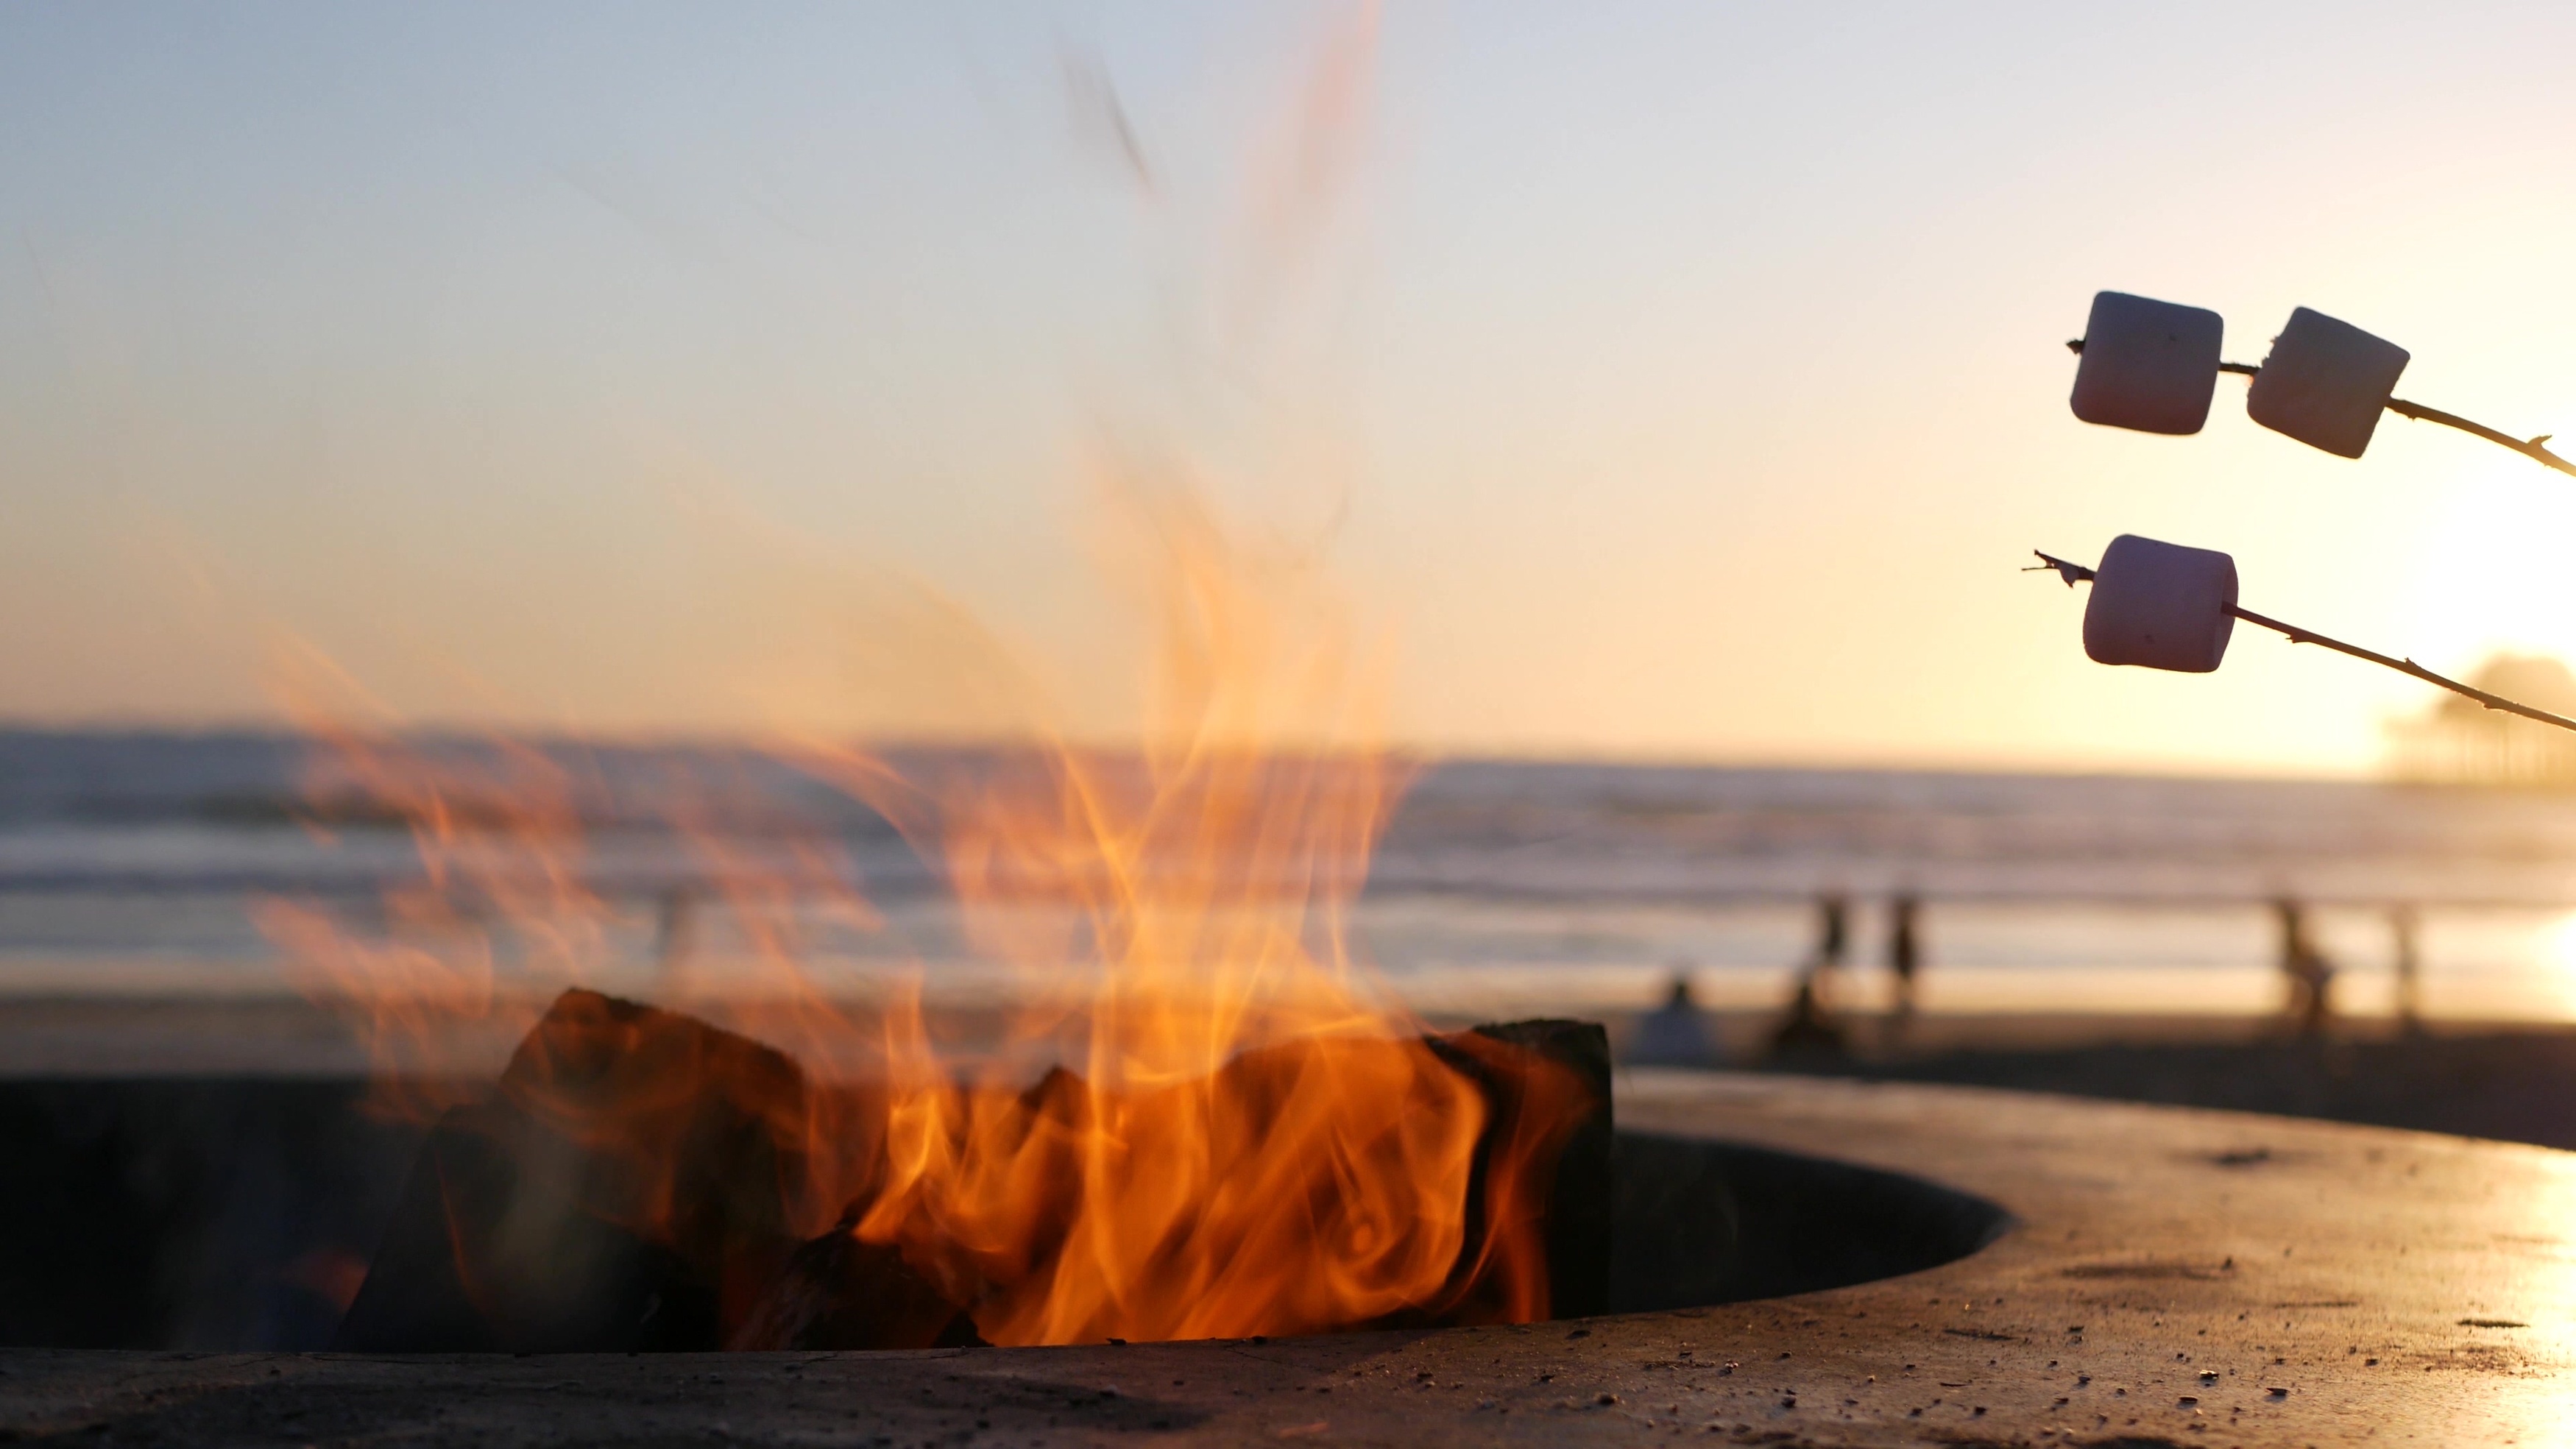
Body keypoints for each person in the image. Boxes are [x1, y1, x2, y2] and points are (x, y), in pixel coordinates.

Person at [1629, 968, 1719, 1068]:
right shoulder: (1694, 1019)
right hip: (1661, 1062)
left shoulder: (1694, 1019)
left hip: (1681, 1062)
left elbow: (1701, 1048)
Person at [2272, 896, 2335, 1038]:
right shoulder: (2300, 955)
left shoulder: (2300, 957)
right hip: (2315, 996)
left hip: (2315, 1005)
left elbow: (2297, 993)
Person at [1886, 893, 1923, 1030]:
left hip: (1905, 958)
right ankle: (1902, 1010)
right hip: (1903, 958)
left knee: (1905, 985)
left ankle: (1903, 1010)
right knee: (1903, 985)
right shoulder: (1903, 932)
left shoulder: (1905, 932)